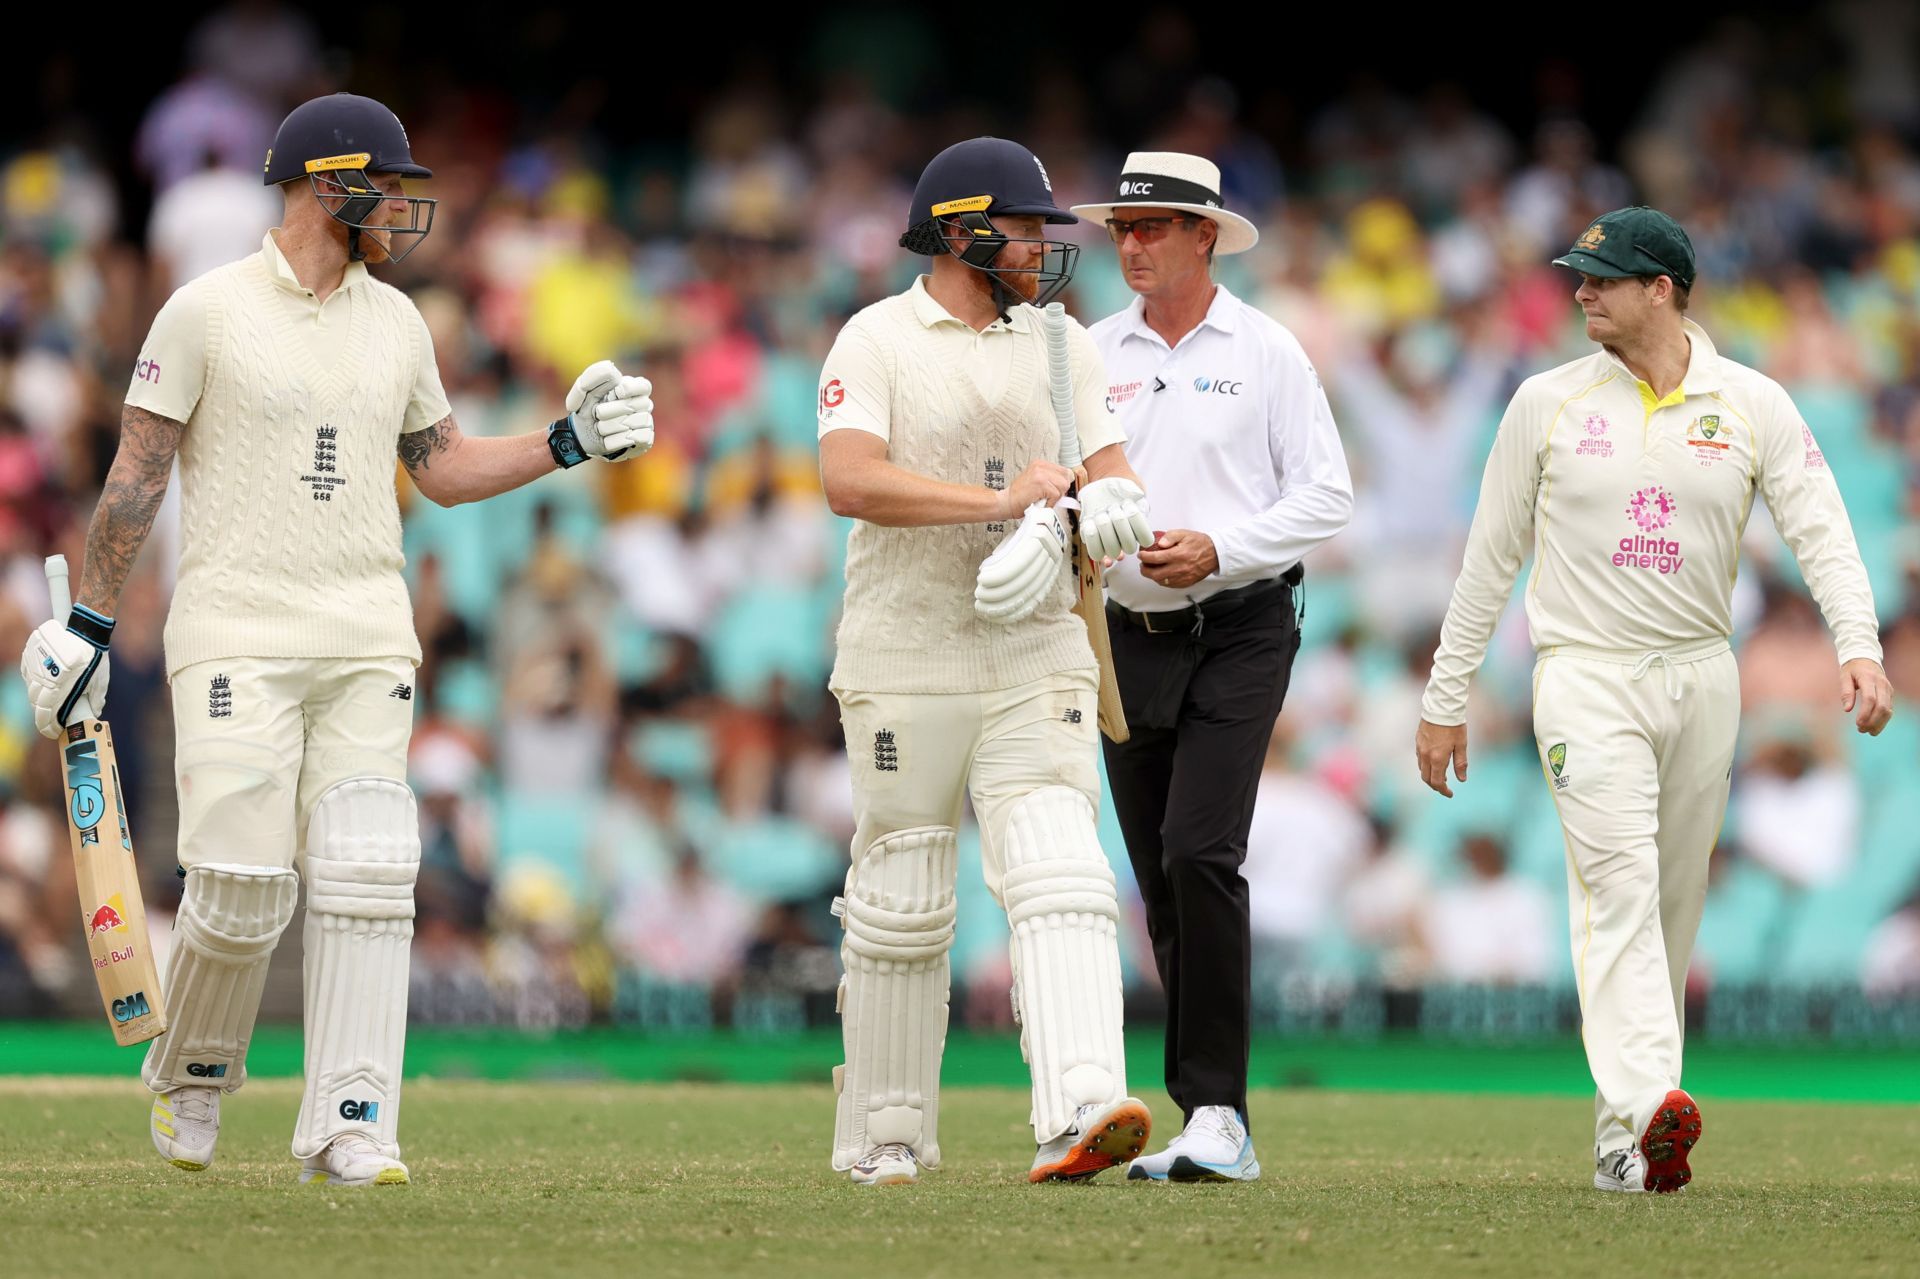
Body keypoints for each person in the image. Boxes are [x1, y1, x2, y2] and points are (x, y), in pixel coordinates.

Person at [19, 93, 655, 1187]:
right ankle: (195, 1068)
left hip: (366, 631)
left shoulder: (399, 322)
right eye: (385, 189)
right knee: (241, 885)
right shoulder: (206, 309)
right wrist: (85, 623)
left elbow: (442, 468)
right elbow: (138, 472)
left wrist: (563, 440)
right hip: (235, 633)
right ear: (326, 184)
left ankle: (353, 1120)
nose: (402, 213)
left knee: (369, 872)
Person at [1415, 206, 1892, 1193]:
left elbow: (1824, 528)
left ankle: (1621, 1143)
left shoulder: (1752, 403)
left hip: (1700, 673)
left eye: (1603, 279)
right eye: (1579, 277)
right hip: (1585, 673)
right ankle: (1651, 1102)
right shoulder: (1543, 402)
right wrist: (1445, 690)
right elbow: (1490, 557)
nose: (1580, 293)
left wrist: (1859, 646)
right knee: (1618, 886)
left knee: (1670, 910)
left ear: (1663, 289)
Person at [816, 136, 1156, 1185]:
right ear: (961, 230)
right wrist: (1002, 503)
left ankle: (1081, 1108)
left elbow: (1112, 473)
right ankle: (884, 1133)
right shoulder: (875, 336)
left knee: (1061, 868)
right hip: (904, 651)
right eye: (1023, 229)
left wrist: (1107, 513)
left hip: (1037, 649)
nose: (1043, 250)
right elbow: (849, 480)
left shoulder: (1062, 346)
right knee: (903, 897)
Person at [1071, 152, 1353, 1182]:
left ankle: (1220, 1109)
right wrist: (1085, 535)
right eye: (1122, 229)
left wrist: (1220, 550)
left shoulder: (1269, 350)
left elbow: (1327, 497)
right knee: (1160, 878)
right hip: (1124, 636)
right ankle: (1207, 1116)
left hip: (1239, 624)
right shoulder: (1088, 355)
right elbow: (1065, 487)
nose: (1132, 244)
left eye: (1152, 227)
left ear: (1205, 235)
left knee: (1200, 851)